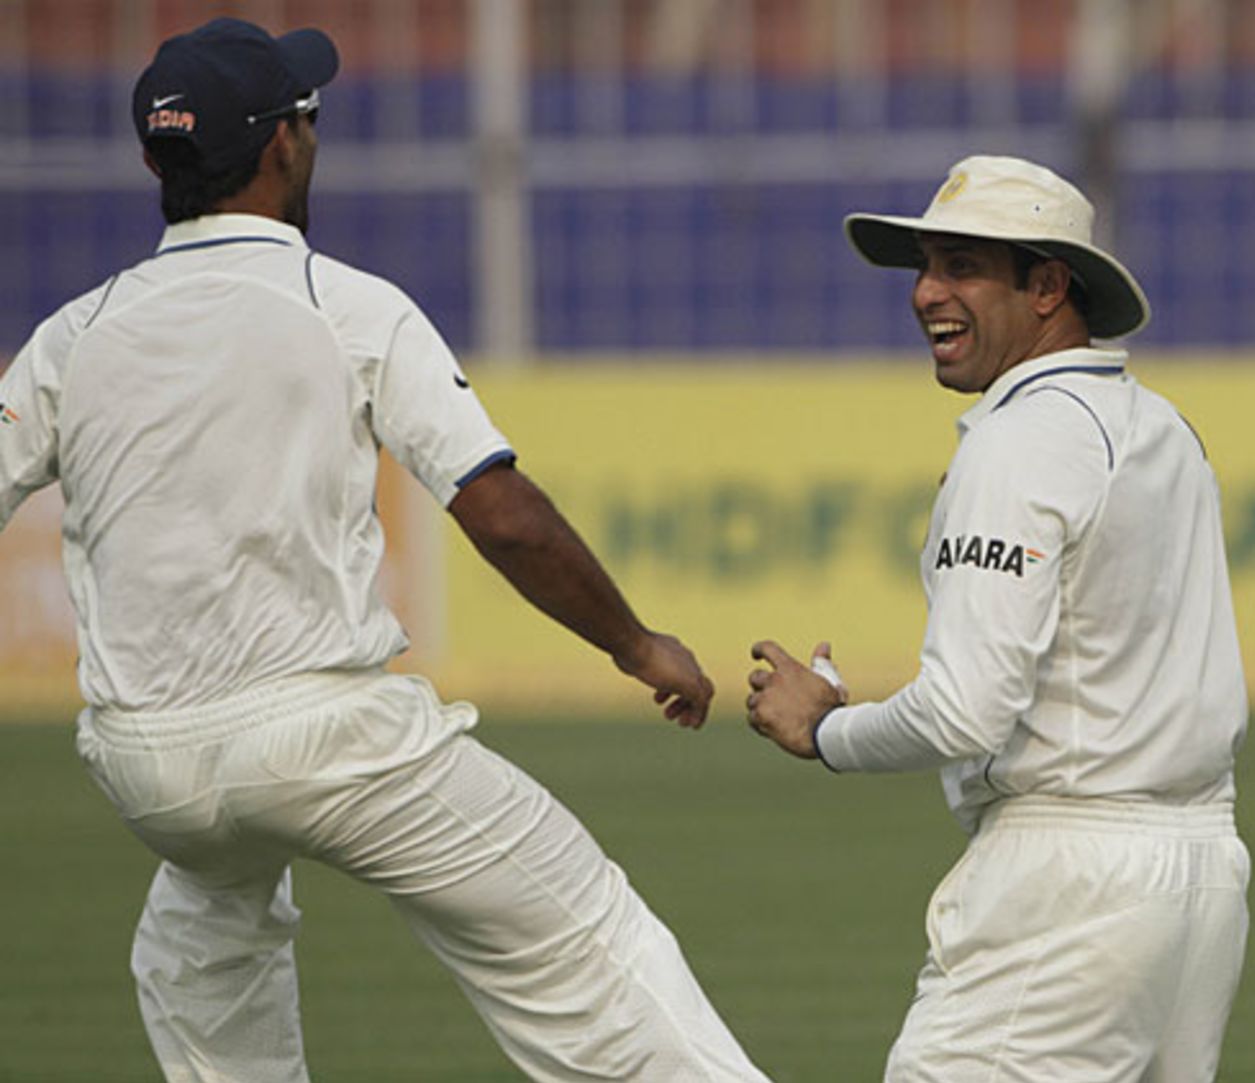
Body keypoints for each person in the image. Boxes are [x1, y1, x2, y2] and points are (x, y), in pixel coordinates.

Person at [0, 18, 772, 1083]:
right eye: (306, 116)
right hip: (323, 739)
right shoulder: (343, 305)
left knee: (204, 931)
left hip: (147, 767)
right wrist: (636, 646)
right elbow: (498, 512)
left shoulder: (70, 337)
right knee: (581, 929)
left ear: (152, 161)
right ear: (281, 146)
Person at [745, 155, 1249, 1082]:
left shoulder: (1020, 438)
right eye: (925, 266)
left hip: (1069, 886)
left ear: (1050, 285)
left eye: (963, 265)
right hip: (1202, 877)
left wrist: (825, 728)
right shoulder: (1166, 429)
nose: (927, 293)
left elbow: (965, 711)